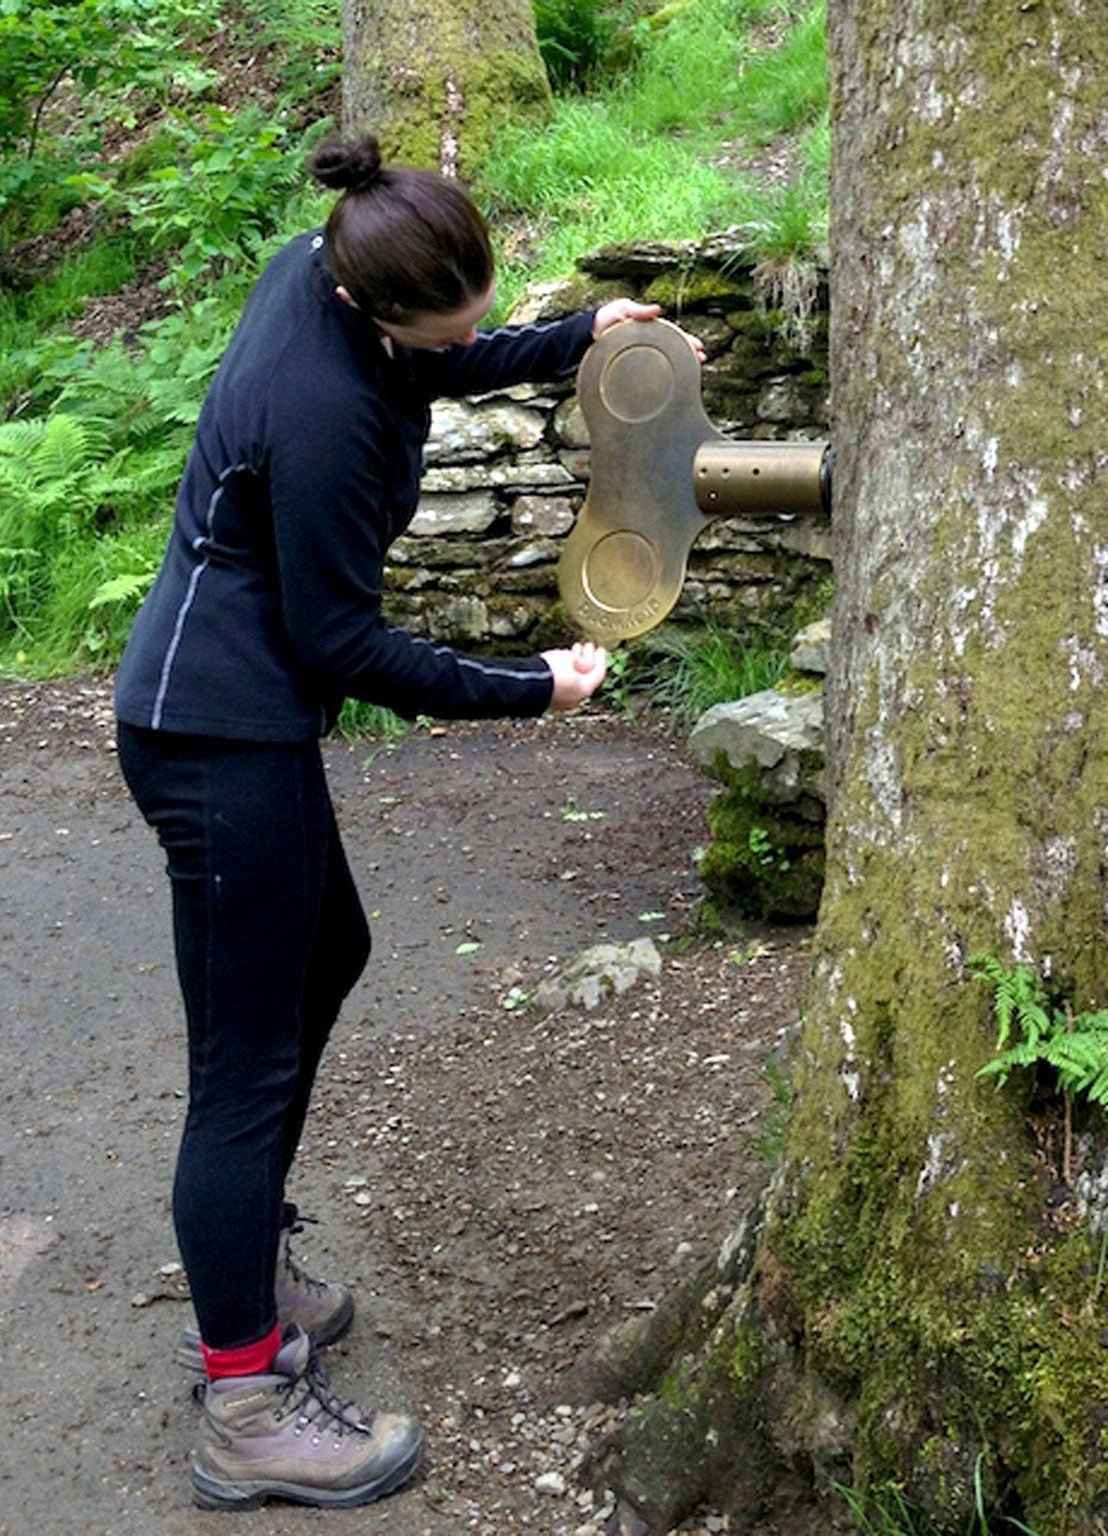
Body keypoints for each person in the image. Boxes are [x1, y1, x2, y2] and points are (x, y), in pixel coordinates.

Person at [113, 134, 675, 1511]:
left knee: (330, 954)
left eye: (479, 310)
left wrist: (563, 338)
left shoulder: (323, 266)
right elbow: (343, 644)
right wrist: (530, 688)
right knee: (242, 1067)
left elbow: (432, 354)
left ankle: (245, 1267)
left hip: (230, 713)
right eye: (451, 325)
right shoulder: (321, 414)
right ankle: (245, 1395)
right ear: (373, 307)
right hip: (214, 733)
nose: (465, 338)